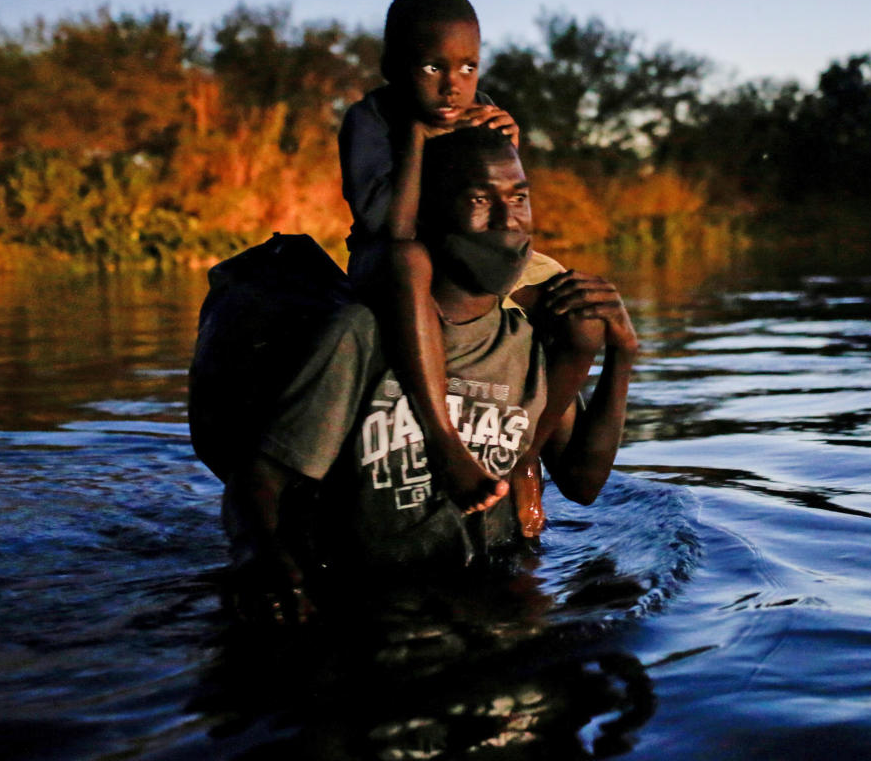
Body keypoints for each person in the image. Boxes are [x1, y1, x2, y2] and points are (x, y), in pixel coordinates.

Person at [229, 126, 638, 624]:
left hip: (481, 589)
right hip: (364, 600)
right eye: (479, 199)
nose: (508, 220)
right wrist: (266, 558)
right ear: (428, 214)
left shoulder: (526, 339)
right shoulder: (361, 334)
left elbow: (583, 483)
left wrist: (622, 357)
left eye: (520, 198)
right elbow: (260, 479)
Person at [340, 0, 602, 541]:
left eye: (467, 66)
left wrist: (508, 144)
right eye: (433, 66)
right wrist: (416, 140)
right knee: (410, 260)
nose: (452, 83)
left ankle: (529, 450)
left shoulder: (477, 111)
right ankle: (442, 439)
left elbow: (503, 203)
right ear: (392, 66)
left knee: (568, 302)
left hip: (464, 255)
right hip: (386, 259)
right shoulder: (371, 119)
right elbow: (390, 227)